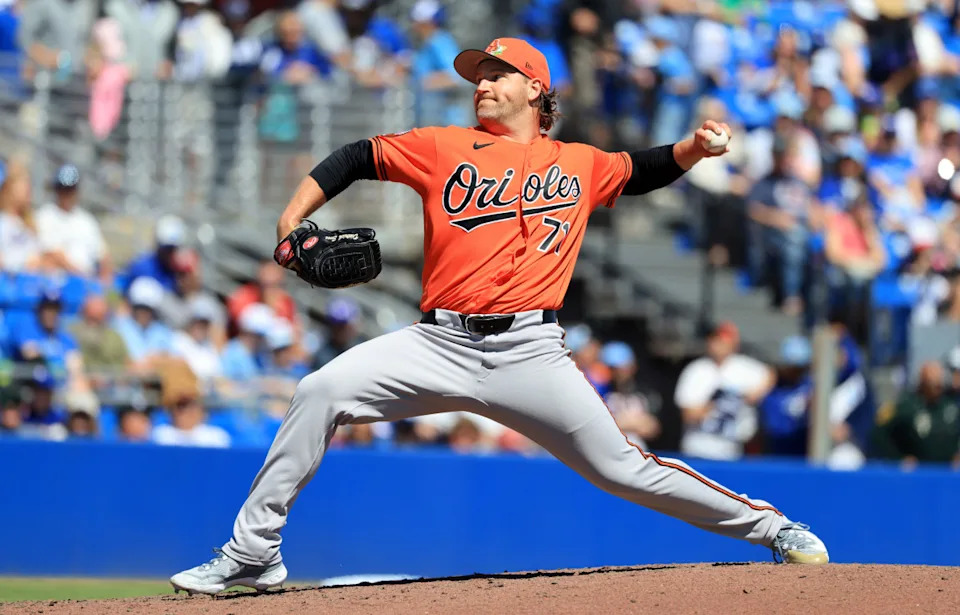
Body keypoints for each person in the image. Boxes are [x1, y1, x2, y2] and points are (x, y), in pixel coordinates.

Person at [170, 36, 829, 596]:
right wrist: (292, 216)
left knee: (625, 468)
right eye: (476, 77)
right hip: (438, 340)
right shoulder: (442, 146)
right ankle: (254, 549)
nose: (480, 85)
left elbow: (642, 170)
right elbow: (355, 156)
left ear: (536, 89)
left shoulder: (578, 163)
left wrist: (692, 148)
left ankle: (775, 528)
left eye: (495, 74)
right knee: (319, 390)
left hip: (530, 352)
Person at [674, 321, 775, 461]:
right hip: (697, 447)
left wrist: (753, 395)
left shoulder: (743, 367)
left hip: (732, 449)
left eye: (724, 342)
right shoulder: (697, 369)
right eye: (716, 341)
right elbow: (688, 414)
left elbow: (770, 374)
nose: (719, 346)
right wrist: (719, 404)